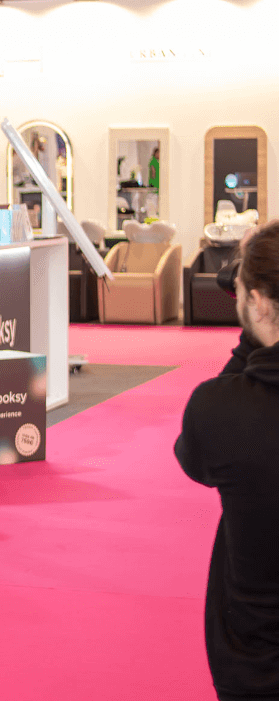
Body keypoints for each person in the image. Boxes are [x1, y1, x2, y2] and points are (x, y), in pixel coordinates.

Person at [175, 222, 279, 701]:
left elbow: (191, 458)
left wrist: (250, 341)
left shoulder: (218, 408)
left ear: (257, 302)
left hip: (255, 658)